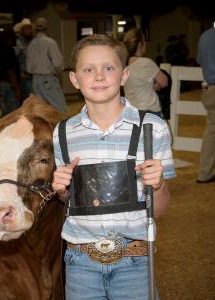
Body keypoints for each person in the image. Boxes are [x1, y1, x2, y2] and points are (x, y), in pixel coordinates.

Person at [51, 34, 176, 299]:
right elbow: (69, 202)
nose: (98, 76)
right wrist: (61, 190)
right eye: (88, 69)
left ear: (124, 75)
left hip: (135, 260)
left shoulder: (152, 129)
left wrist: (160, 184)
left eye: (108, 68)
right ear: (74, 79)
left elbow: (161, 208)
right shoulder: (62, 133)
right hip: (79, 261)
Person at [123, 28, 168, 117]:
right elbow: (164, 82)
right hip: (149, 112)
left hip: (130, 112)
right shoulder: (146, 63)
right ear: (140, 44)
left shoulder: (124, 65)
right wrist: (157, 85)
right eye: (144, 41)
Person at [27, 17, 67, 113]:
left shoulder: (31, 44)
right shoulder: (50, 42)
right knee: (60, 109)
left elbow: (29, 67)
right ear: (46, 28)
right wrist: (60, 70)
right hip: (48, 80)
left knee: (42, 111)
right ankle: (62, 128)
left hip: (35, 80)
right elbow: (58, 63)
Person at [196, 26, 215, 183]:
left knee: (212, 130)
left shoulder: (205, 37)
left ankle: (205, 171)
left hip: (210, 87)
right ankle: (204, 172)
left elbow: (200, 61)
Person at [0, 29, 22, 118]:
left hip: (0, 84)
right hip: (8, 85)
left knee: (6, 112)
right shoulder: (8, 50)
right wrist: (17, 89)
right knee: (12, 114)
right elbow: (10, 72)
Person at [13, 18, 34, 100]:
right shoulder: (18, 44)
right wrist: (20, 73)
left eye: (30, 28)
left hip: (33, 77)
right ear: (22, 30)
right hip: (25, 77)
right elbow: (15, 60)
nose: (29, 31)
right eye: (27, 28)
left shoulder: (32, 42)